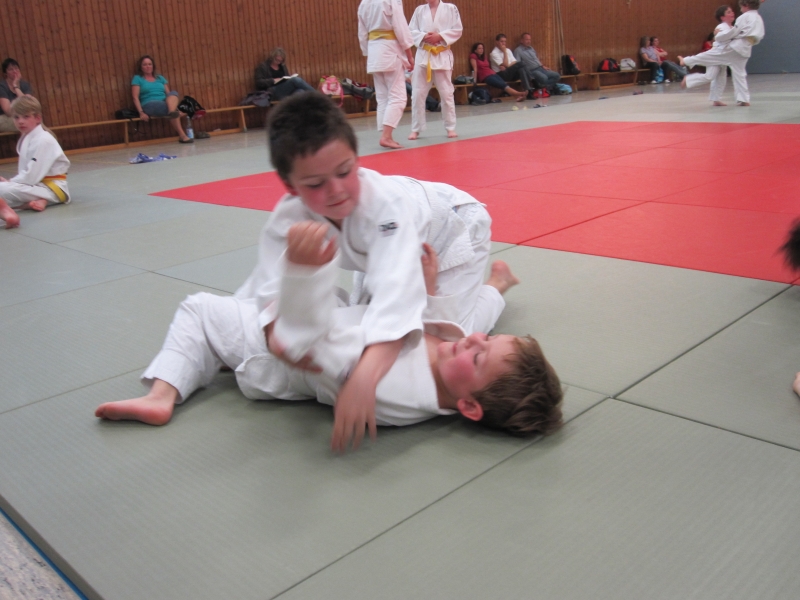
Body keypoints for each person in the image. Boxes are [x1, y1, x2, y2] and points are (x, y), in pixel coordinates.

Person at [95, 225, 563, 451]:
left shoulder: (394, 389)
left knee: (199, 309)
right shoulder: (448, 368)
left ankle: (162, 394)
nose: (476, 341)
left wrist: (302, 277)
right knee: (467, 315)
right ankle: (498, 285)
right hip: (341, 316)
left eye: (480, 357)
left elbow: (308, 349)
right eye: (487, 342)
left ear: (469, 407)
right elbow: (429, 327)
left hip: (272, 353)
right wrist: (428, 292)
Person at [233, 92, 509, 447]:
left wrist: (363, 379)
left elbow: (397, 298)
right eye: (315, 184)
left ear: (357, 159)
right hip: (382, 250)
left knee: (455, 335)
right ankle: (457, 290)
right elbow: (269, 290)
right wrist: (277, 339)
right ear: (290, 186)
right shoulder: (287, 218)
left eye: (345, 172)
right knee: (368, 318)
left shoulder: (385, 205)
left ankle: (496, 286)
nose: (335, 191)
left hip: (453, 225)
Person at [0, 96, 70, 229]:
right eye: (16, 117)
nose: (20, 121)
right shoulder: (28, 137)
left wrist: (10, 182)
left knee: (2, 190)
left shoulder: (44, 140)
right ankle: (32, 203)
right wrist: (11, 183)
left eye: (26, 117)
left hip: (52, 189)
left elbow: (31, 176)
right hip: (37, 186)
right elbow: (26, 173)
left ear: (37, 118)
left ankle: (12, 209)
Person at [679, 0, 765, 107]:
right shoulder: (758, 18)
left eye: (740, 7)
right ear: (722, 17)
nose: (737, 11)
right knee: (738, 74)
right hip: (744, 49)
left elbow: (734, 32)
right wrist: (720, 35)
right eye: (729, 12)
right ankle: (743, 99)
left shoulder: (744, 17)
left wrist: (719, 36)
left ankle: (686, 61)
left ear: (746, 5)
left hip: (735, 47)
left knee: (709, 59)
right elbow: (756, 36)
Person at [358, 0, 415, 149]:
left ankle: (386, 134)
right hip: (389, 49)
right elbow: (400, 27)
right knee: (398, 97)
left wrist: (368, 52)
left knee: (383, 96)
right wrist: (409, 55)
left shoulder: (364, 2)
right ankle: (386, 136)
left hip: (373, 50)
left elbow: (362, 32)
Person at [407, 0, 463, 140]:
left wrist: (440, 36)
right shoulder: (419, 10)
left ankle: (450, 127)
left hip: (441, 55)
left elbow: (457, 29)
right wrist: (423, 36)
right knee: (417, 94)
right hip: (423, 56)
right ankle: (416, 128)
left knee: (446, 94)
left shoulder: (450, 8)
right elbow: (410, 31)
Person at [680, 5, 736, 106]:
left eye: (732, 11)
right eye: (728, 12)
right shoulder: (721, 26)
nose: (732, 13)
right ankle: (685, 61)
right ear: (722, 17)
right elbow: (722, 36)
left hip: (723, 57)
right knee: (702, 60)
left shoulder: (732, 27)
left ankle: (716, 99)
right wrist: (717, 34)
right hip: (717, 53)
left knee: (718, 77)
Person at [131, 55, 192, 143]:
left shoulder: (160, 78)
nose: (148, 66)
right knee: (171, 109)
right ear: (141, 67)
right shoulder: (137, 78)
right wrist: (141, 112)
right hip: (149, 104)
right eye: (145, 64)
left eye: (150, 64)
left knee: (173, 93)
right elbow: (135, 97)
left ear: (153, 66)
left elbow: (168, 95)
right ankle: (182, 134)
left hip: (165, 103)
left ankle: (173, 112)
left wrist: (175, 107)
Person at [0, 58, 33, 133]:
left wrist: (16, 87)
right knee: (30, 123)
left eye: (16, 68)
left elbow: (28, 105)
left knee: (34, 121)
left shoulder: (24, 85)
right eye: (10, 69)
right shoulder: (2, 87)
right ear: (5, 73)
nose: (14, 71)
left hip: (23, 116)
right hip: (5, 118)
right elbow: (8, 112)